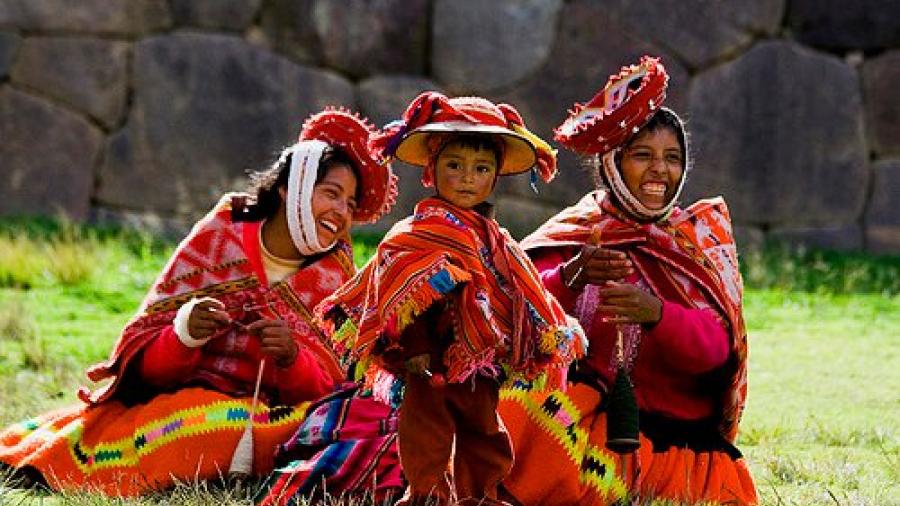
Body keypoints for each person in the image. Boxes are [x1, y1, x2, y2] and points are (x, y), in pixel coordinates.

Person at [0, 108, 398, 495]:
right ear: (289, 188)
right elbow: (143, 367)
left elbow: (333, 387)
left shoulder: (338, 277)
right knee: (204, 425)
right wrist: (184, 334)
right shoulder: (221, 232)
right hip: (183, 400)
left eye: (350, 204)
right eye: (331, 193)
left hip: (277, 412)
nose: (342, 212)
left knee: (324, 426)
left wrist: (292, 359)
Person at [498, 56, 758, 505]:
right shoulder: (579, 230)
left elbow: (718, 350)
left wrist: (657, 314)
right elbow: (511, 309)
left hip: (666, 441)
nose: (660, 170)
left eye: (672, 158)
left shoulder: (693, 244)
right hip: (577, 415)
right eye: (643, 155)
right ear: (612, 163)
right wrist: (570, 277)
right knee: (499, 401)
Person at [313, 92, 585, 506]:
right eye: (454, 166)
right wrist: (416, 347)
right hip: (430, 363)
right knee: (427, 433)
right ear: (431, 169)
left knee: (484, 431)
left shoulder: (498, 241)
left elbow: (512, 291)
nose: (466, 178)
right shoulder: (417, 232)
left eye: (480, 169)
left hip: (480, 362)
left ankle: (482, 495)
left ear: (494, 177)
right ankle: (425, 496)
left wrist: (512, 337)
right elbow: (406, 292)